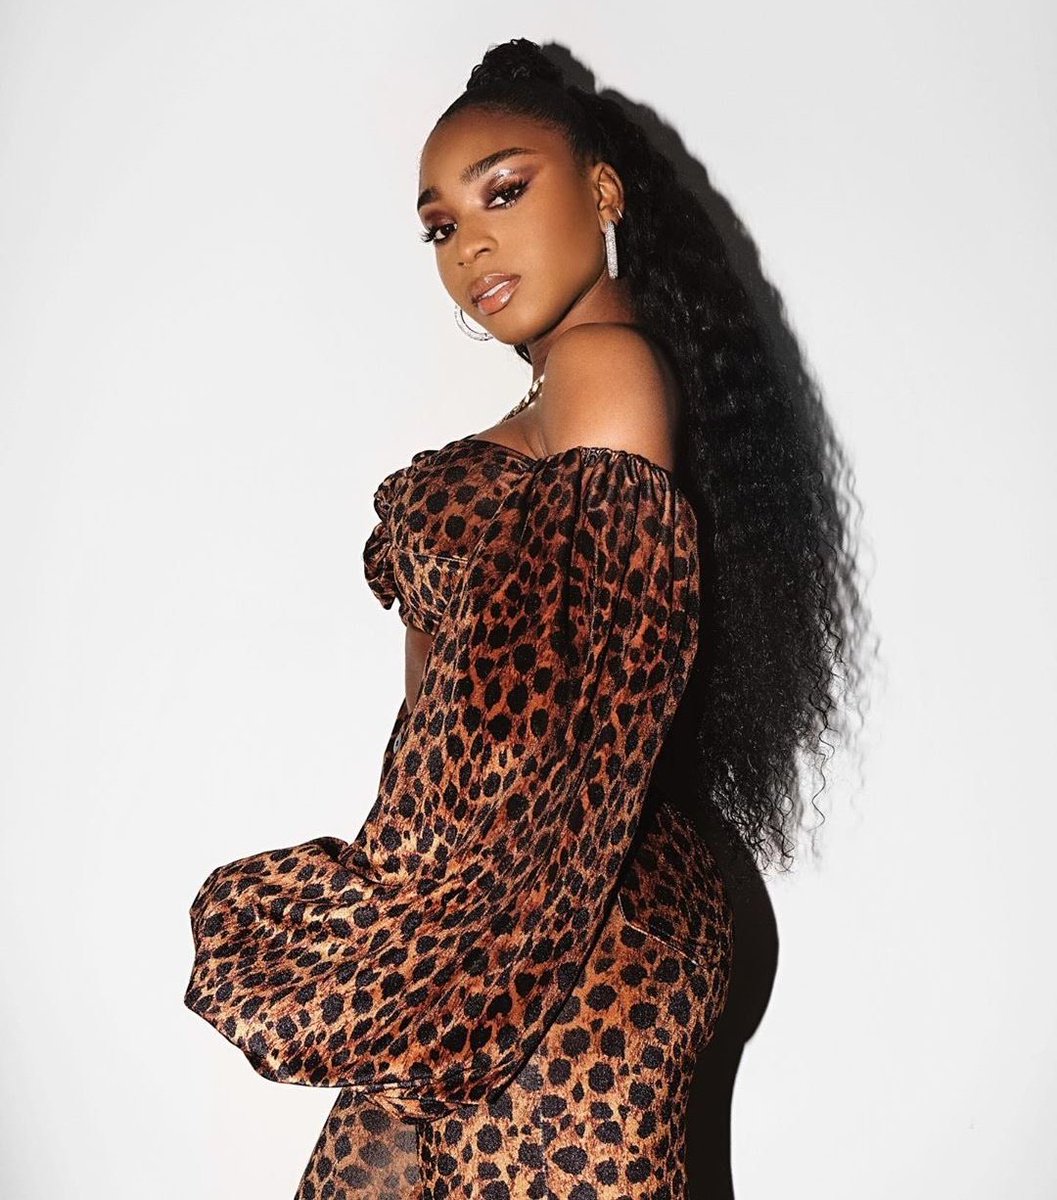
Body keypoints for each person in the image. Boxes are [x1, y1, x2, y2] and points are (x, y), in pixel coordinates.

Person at [183, 38, 868, 1199]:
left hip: (561, 921)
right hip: (522, 909)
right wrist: (419, 909)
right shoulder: (571, 390)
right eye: (440, 226)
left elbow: (602, 688)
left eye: (503, 191)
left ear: (602, 191)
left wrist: (414, 920)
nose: (470, 246)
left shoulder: (605, 368)